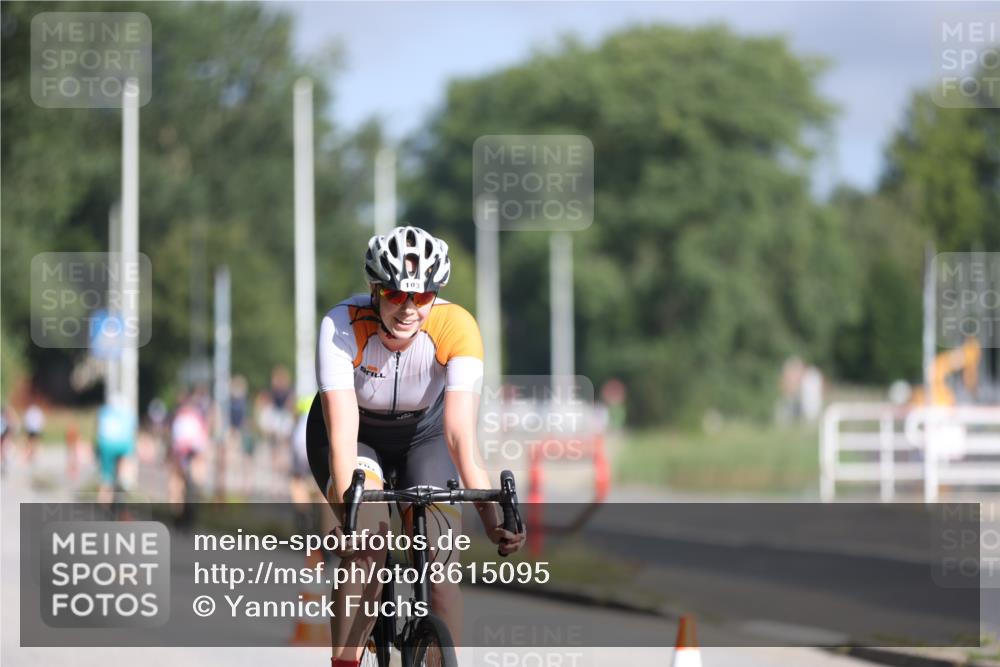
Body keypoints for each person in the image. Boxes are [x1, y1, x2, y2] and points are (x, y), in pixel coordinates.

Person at [307, 225, 526, 667]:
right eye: (396, 295)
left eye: (422, 297)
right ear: (375, 289)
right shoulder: (341, 325)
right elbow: (344, 434)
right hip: (357, 437)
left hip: (424, 438)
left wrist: (491, 519)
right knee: (367, 546)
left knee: (442, 572)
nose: (409, 309)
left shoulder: (457, 326)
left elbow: (461, 436)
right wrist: (350, 514)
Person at [94, 394, 137, 505]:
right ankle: (125, 480)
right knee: (125, 462)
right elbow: (133, 432)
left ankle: (103, 503)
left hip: (106, 446)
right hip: (124, 445)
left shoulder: (103, 412)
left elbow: (98, 430)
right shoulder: (128, 412)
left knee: (106, 478)